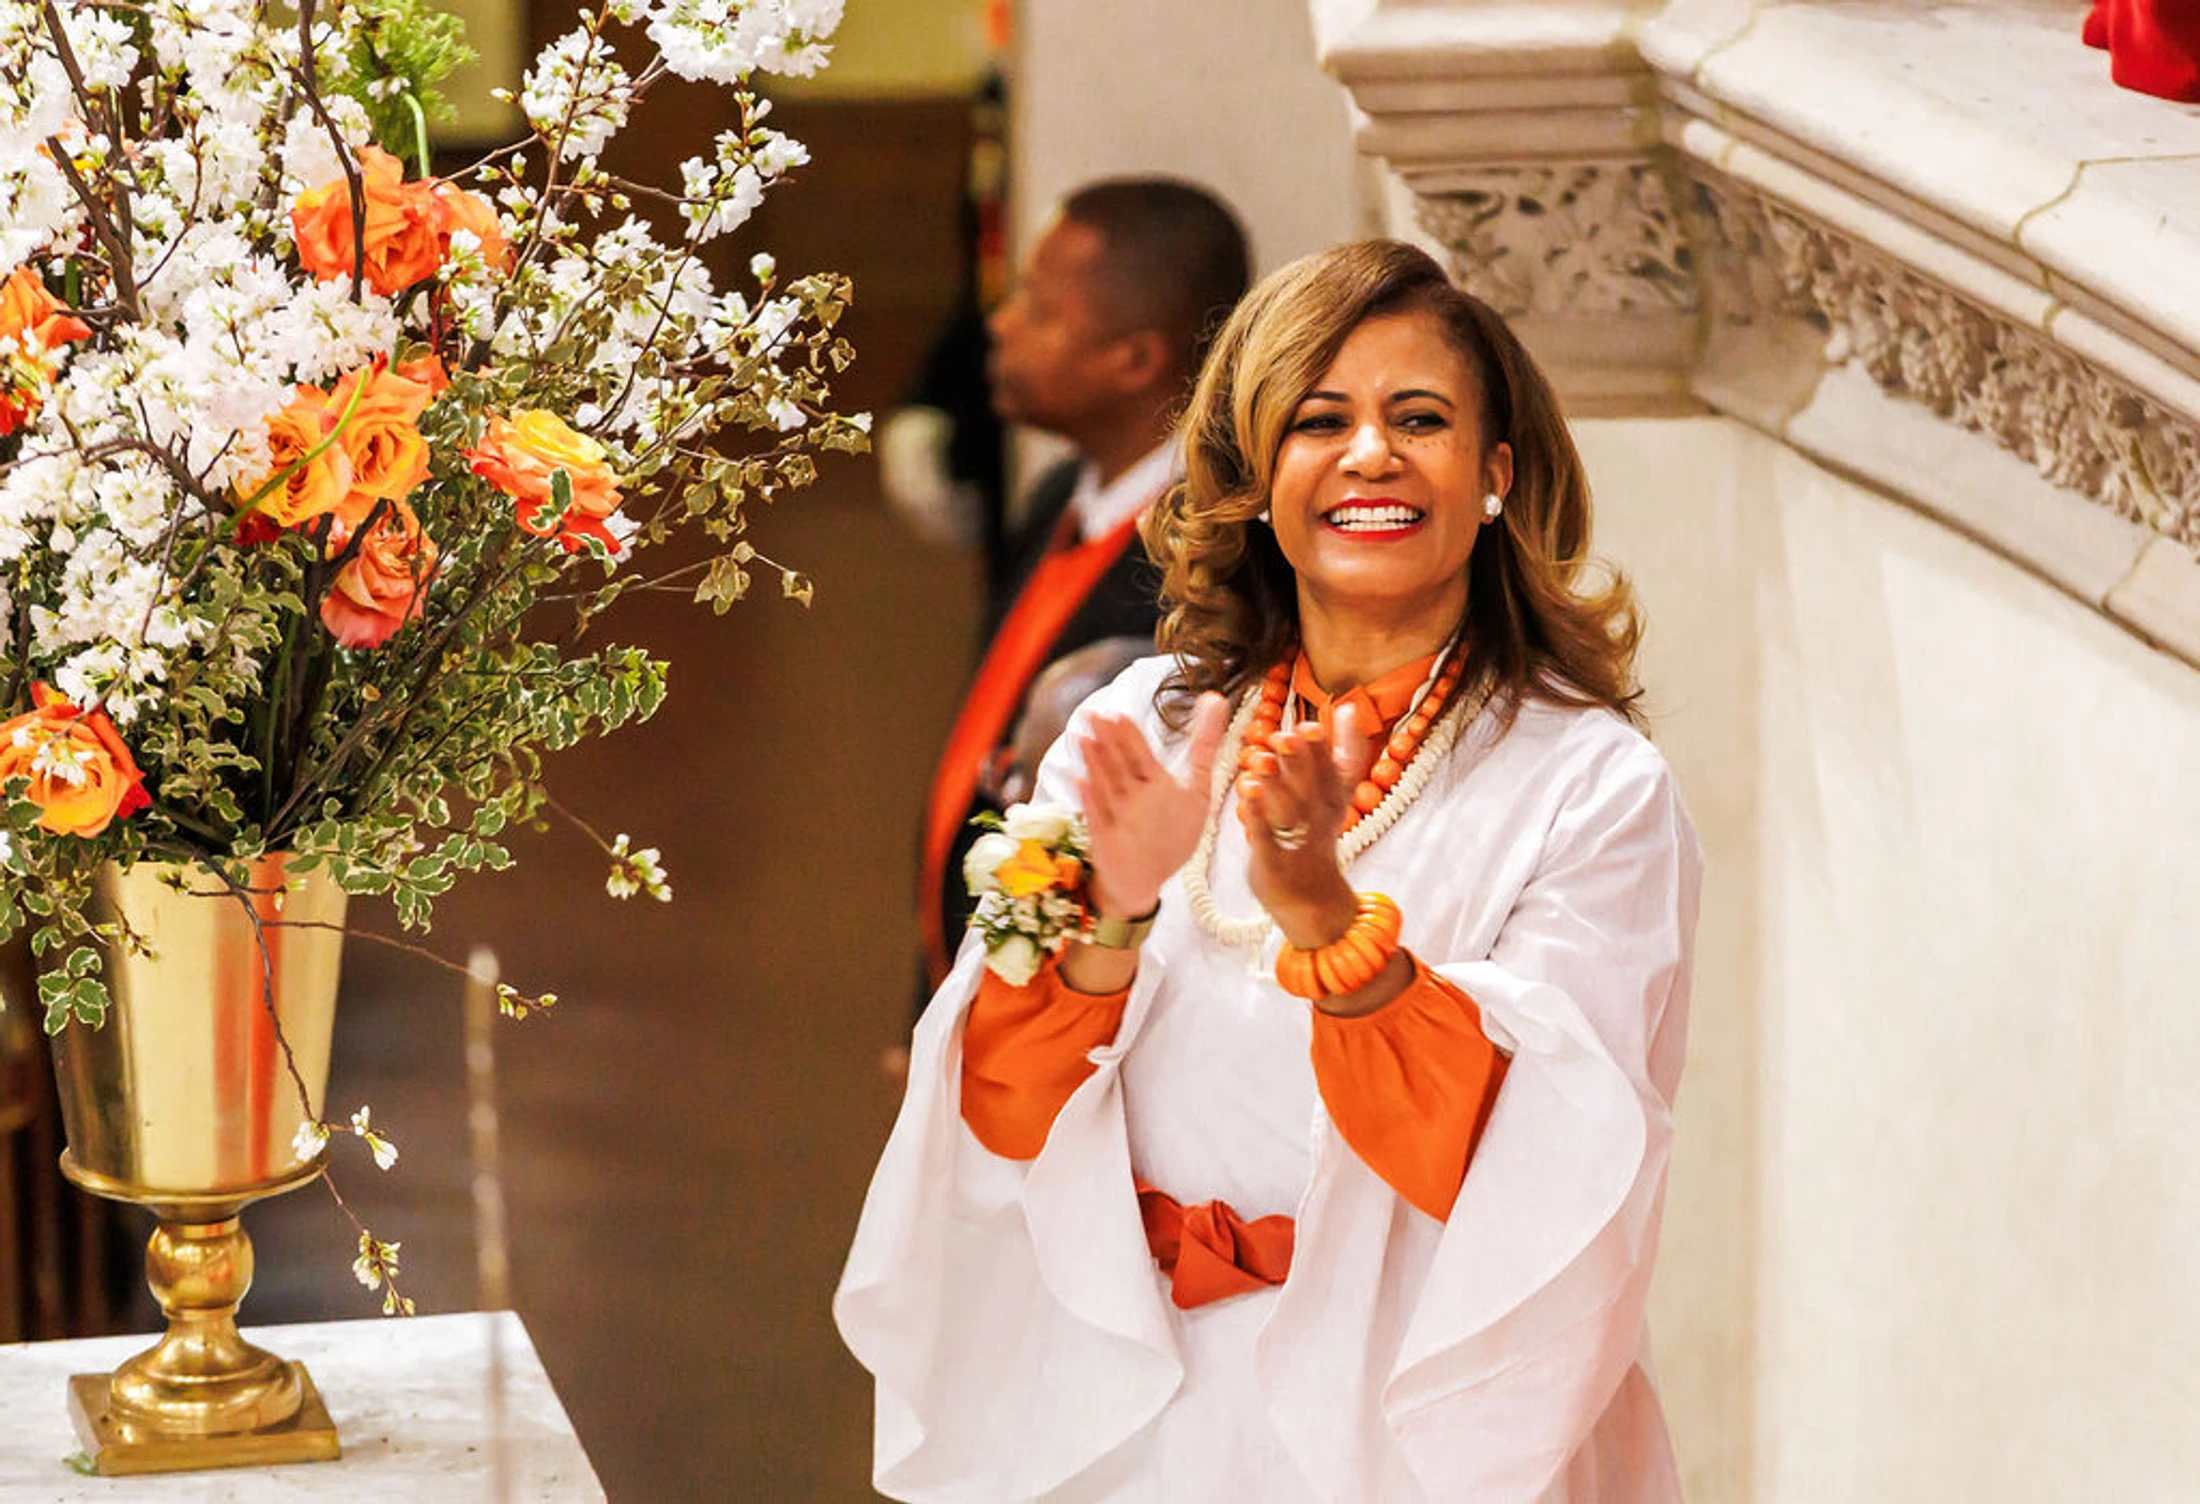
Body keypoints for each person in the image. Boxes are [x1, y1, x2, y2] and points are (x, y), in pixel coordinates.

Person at [840, 238, 1702, 1501]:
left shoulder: (1588, 782)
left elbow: (1534, 1169)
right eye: (1317, 421)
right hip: (1127, 1408)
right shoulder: (1137, 724)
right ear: (1255, 476)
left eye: (1420, 418)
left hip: (1421, 1416)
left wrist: (1330, 929)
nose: (1368, 456)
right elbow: (1000, 1114)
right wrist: (1113, 912)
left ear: (1496, 475)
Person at [916, 178, 1251, 992]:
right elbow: (980, 761)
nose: (1000, 326)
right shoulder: (1055, 500)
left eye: (1038, 306)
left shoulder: (1214, 558)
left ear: (1135, 358)